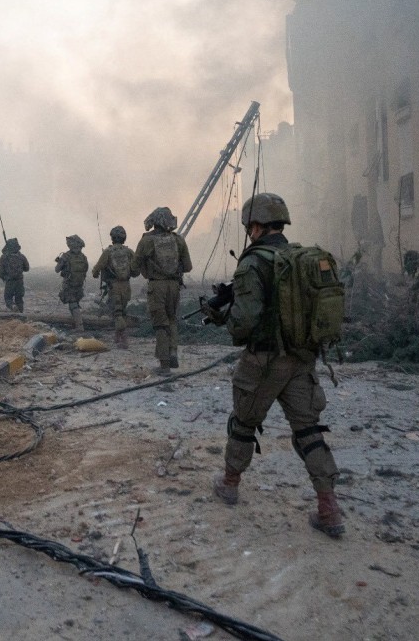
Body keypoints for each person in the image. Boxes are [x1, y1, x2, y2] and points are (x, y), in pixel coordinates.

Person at [205, 193, 344, 538]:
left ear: (255, 226)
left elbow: (245, 323)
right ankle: (328, 507)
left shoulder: (252, 264)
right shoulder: (297, 257)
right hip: (302, 358)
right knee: (309, 431)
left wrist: (225, 320)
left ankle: (230, 482)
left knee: (243, 423)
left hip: (265, 361)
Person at [134, 207, 191, 375]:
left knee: (160, 323)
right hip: (174, 286)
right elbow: (188, 266)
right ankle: (173, 351)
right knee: (172, 319)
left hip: (156, 286)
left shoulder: (146, 241)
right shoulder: (178, 240)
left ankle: (164, 365)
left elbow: (135, 267)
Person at [91, 225, 137, 349]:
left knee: (117, 313)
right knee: (122, 311)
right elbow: (136, 269)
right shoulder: (129, 252)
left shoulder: (108, 252)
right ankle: (117, 337)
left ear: (112, 238)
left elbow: (96, 270)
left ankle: (124, 340)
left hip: (114, 286)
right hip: (127, 286)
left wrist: (96, 274)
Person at [55, 234, 89, 331]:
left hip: (69, 284)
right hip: (79, 284)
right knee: (74, 304)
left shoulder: (66, 256)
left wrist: (59, 262)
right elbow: (86, 269)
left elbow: (57, 270)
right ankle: (76, 323)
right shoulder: (83, 257)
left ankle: (79, 326)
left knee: (73, 304)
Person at [0, 237, 30, 312]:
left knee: (8, 298)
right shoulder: (21, 257)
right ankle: (21, 316)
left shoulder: (3, 257)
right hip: (19, 281)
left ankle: (12, 306)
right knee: (19, 299)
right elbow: (27, 268)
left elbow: (1, 272)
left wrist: (4, 278)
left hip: (10, 282)